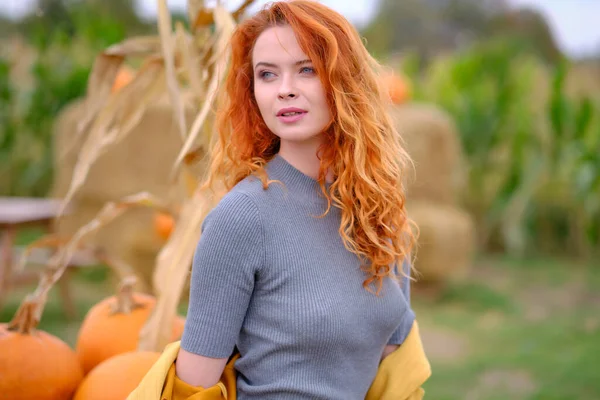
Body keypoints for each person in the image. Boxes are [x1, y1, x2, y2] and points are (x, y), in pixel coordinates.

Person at [170, 1, 426, 399]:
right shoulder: (240, 219)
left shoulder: (379, 208)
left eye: (305, 69)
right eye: (267, 74)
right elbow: (193, 387)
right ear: (253, 92)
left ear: (344, 79)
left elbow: (393, 358)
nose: (284, 88)